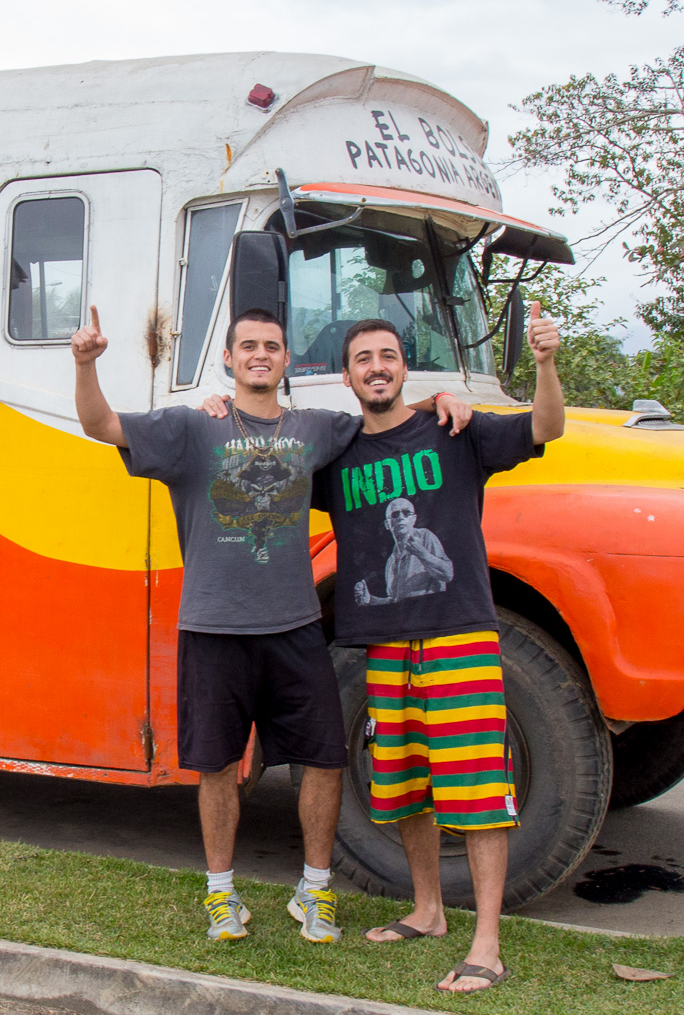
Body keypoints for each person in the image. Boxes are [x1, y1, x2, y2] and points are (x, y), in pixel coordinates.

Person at [71, 304, 472, 943]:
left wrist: (440, 401)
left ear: (287, 362)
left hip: (294, 626)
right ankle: (221, 895)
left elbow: (383, 417)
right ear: (228, 359)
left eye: (273, 346)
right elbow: (101, 424)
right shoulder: (190, 428)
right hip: (213, 627)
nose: (261, 354)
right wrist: (86, 363)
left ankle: (315, 894)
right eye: (248, 345)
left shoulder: (317, 429)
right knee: (217, 765)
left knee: (324, 759)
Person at [317, 303, 564, 994]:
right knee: (404, 785)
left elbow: (546, 427)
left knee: (482, 788)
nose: (376, 368)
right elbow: (270, 450)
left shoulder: (455, 432)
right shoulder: (337, 455)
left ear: (404, 367)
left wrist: (545, 363)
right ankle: (427, 911)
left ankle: (487, 944)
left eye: (387, 356)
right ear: (346, 376)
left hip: (458, 634)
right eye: (362, 359)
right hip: (384, 647)